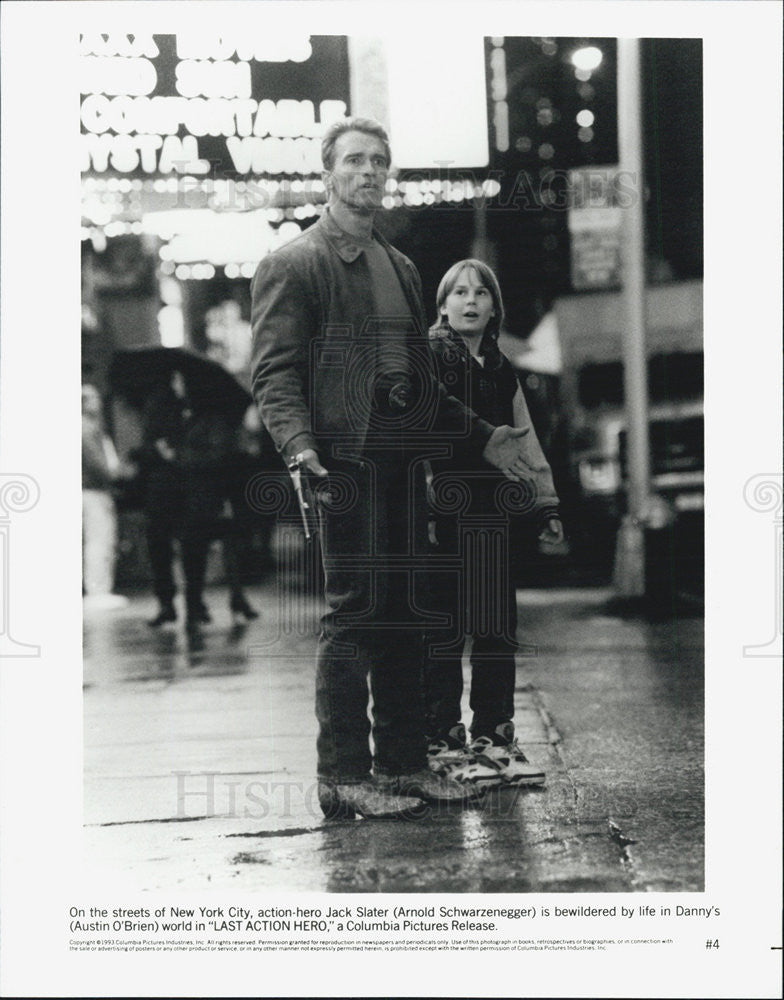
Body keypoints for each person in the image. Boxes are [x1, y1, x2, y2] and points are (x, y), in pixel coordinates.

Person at [250, 117, 537, 820]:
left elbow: (422, 380)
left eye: (379, 160)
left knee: (408, 617)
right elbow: (274, 372)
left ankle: (404, 764)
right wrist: (300, 447)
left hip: (405, 465)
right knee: (356, 619)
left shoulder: (402, 268)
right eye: (355, 160)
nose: (369, 171)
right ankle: (343, 775)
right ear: (328, 173)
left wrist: (482, 435)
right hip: (342, 464)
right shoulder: (295, 263)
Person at [424, 260, 565, 787]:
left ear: (494, 308)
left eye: (481, 292)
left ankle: (494, 739)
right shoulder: (431, 356)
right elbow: (416, 431)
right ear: (441, 305)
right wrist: (426, 501)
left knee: (494, 627)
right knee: (443, 628)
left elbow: (523, 437)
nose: (469, 300)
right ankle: (441, 740)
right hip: (442, 513)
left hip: (491, 513)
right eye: (458, 292)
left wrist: (545, 504)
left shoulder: (501, 366)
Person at [81, 384, 129, 609]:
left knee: (96, 540)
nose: (97, 402)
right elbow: (97, 465)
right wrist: (115, 474)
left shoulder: (92, 427)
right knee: (99, 540)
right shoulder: (85, 428)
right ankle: (97, 589)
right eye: (91, 398)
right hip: (93, 491)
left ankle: (97, 588)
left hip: (93, 490)